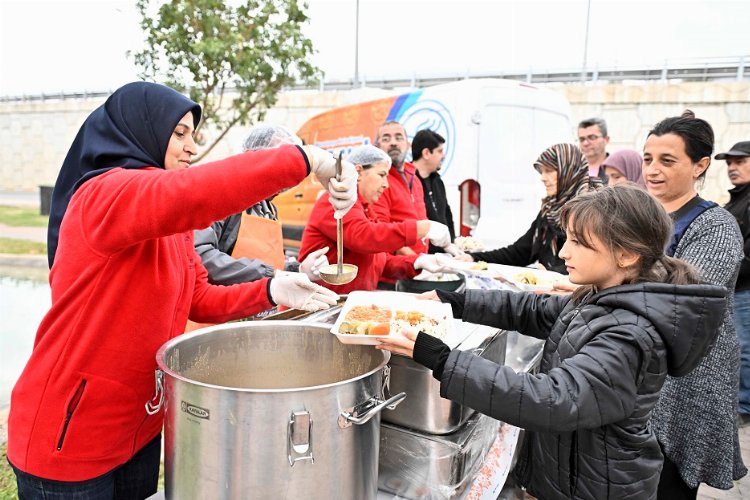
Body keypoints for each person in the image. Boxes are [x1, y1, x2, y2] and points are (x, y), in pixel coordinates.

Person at [7, 81, 358, 498]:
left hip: (138, 426)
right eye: (179, 134)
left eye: (194, 135)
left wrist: (273, 290)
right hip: (71, 434)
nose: (191, 148)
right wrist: (308, 159)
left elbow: (198, 298)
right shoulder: (102, 195)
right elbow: (193, 194)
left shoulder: (171, 228)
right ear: (141, 130)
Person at [377, 184, 728, 500]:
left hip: (597, 488)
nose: (563, 253)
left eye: (578, 242)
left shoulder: (630, 333)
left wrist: (441, 359)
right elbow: (534, 309)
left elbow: (552, 399)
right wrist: (455, 302)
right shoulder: (605, 295)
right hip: (572, 474)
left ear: (626, 255)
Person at [643, 111, 747, 497]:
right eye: (648, 159)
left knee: (670, 483)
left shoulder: (715, 225)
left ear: (700, 165)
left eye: (667, 160)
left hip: (691, 377)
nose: (653, 170)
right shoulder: (643, 218)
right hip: (646, 370)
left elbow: (689, 296)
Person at [299, 144, 452, 294]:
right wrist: (423, 228)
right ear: (358, 172)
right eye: (381, 175)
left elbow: (380, 261)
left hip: (346, 304)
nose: (386, 185)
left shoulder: (367, 210)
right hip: (318, 304)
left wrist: (417, 262)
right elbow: (364, 236)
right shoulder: (335, 201)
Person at [194, 124, 329, 286]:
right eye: (281, 160)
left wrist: (298, 269)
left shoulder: (269, 208)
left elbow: (268, 263)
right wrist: (272, 274)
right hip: (229, 306)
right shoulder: (223, 196)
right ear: (255, 157)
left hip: (264, 305)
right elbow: (201, 257)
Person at [456, 143, 601, 274]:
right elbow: (521, 251)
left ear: (570, 171)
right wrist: (474, 258)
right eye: (542, 172)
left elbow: (593, 261)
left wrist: (551, 273)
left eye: (549, 171)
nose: (543, 178)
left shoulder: (591, 210)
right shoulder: (550, 209)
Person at [717, 141, 750, 425]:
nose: (732, 168)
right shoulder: (735, 200)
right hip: (734, 288)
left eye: (740, 161)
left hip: (745, 289)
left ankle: (744, 407)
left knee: (744, 347)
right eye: (729, 163)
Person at [369, 121, 428, 257]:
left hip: (418, 265)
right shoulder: (378, 182)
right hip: (396, 270)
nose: (393, 143)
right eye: (386, 139)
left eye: (399, 137)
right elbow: (381, 231)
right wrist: (416, 262)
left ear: (408, 145)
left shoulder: (416, 179)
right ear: (377, 147)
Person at [412, 129, 457, 254]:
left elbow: (447, 214)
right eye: (440, 151)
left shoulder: (437, 180)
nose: (443, 156)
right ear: (426, 153)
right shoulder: (408, 181)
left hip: (444, 254)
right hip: (420, 256)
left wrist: (451, 243)